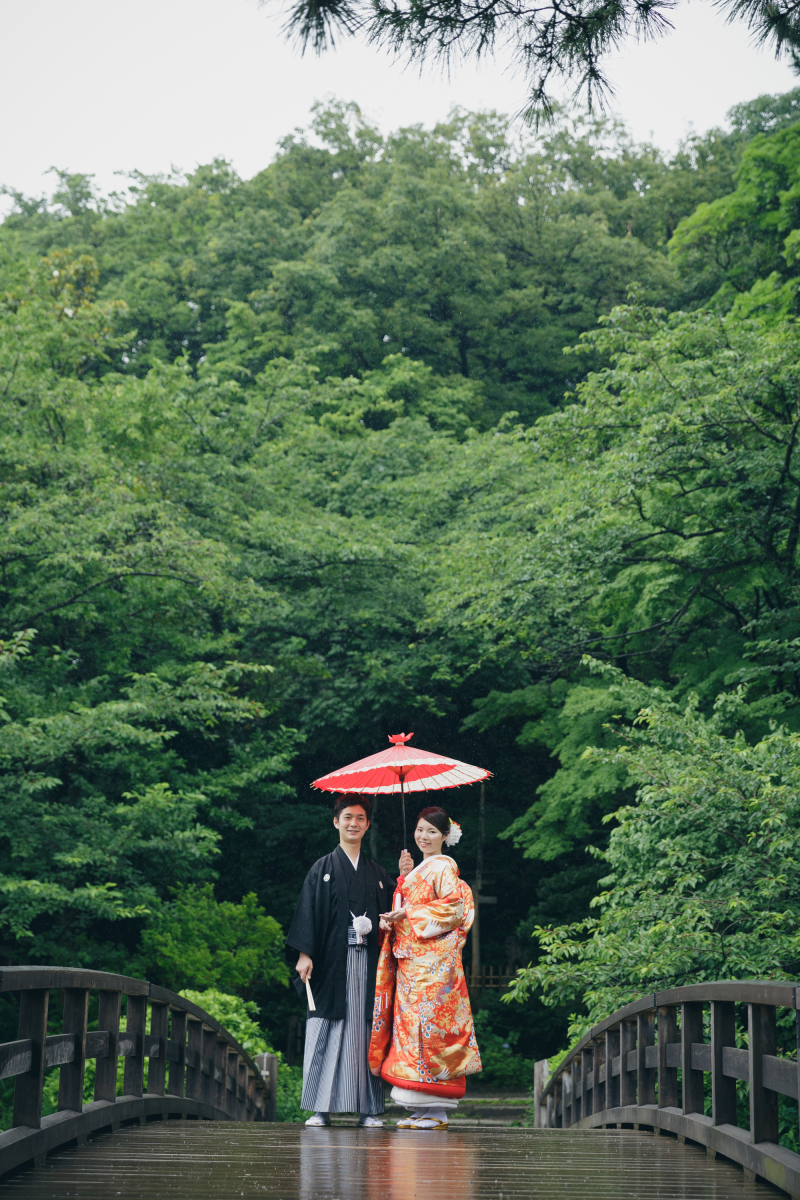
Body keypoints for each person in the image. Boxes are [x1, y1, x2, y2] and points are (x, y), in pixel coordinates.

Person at [285, 796, 397, 1127]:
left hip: (367, 963)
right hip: (330, 965)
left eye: (360, 818)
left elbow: (396, 911)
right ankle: (321, 1108)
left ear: (367, 824)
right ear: (336, 822)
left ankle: (369, 1109)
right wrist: (304, 954)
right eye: (347, 817)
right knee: (326, 1028)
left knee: (366, 1030)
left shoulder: (378, 873)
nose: (353, 823)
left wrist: (405, 878)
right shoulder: (321, 869)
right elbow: (308, 911)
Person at [368, 806, 482, 1130]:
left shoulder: (445, 866)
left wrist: (407, 913)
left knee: (431, 1033)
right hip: (411, 965)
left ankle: (438, 1111)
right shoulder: (418, 870)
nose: (424, 836)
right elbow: (405, 908)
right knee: (410, 1033)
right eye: (420, 830)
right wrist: (403, 878)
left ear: (446, 836)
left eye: (432, 831)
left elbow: (454, 908)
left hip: (434, 967)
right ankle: (419, 1108)